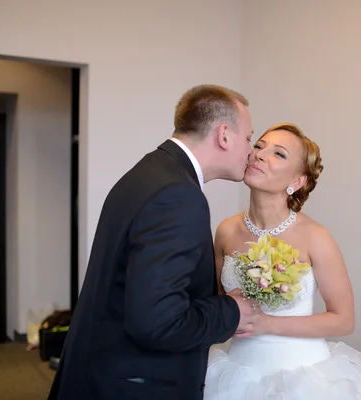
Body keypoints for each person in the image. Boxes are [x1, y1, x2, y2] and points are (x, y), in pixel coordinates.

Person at [47, 84, 261, 400]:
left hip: (98, 370)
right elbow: (157, 322)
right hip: (131, 385)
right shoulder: (179, 196)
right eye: (248, 138)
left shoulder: (149, 173)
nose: (251, 150)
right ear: (224, 135)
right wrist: (231, 310)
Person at [204, 122, 361, 399]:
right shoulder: (226, 230)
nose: (259, 154)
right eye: (259, 146)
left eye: (279, 154)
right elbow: (219, 300)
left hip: (304, 379)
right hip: (234, 374)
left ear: (296, 182)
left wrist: (268, 324)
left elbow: (343, 320)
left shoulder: (315, 236)